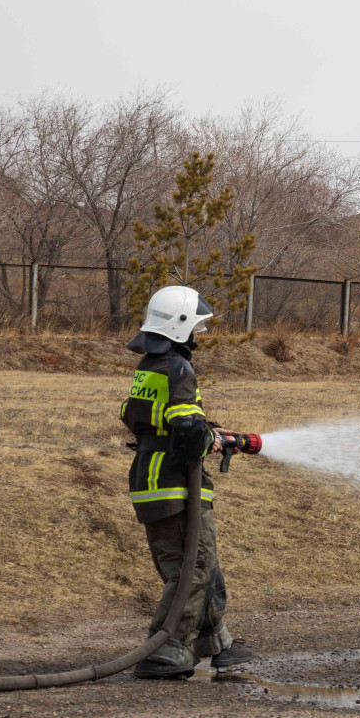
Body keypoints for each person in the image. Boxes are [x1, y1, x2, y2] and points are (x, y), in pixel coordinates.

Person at [120, 285, 253, 678]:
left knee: (201, 567)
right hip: (175, 484)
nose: (199, 333)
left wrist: (208, 429)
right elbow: (187, 430)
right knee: (193, 569)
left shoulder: (149, 366)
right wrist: (209, 438)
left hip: (153, 478)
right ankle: (165, 649)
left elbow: (147, 416)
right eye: (197, 326)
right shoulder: (178, 368)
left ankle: (216, 642)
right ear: (179, 325)